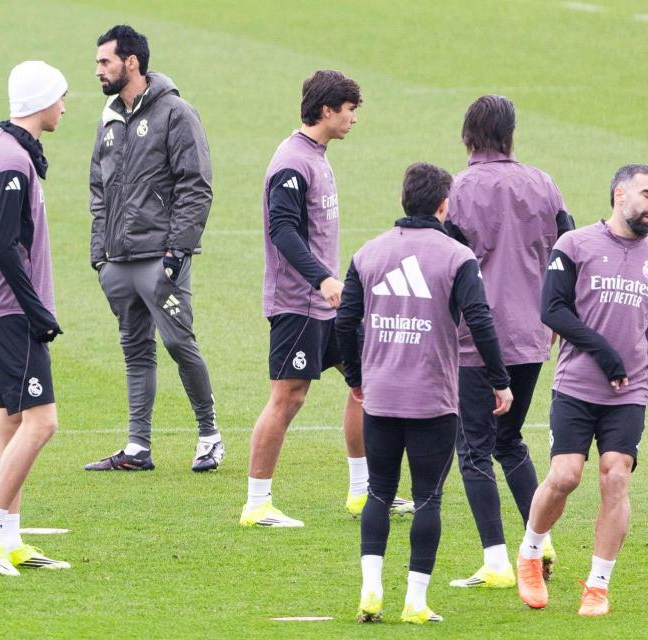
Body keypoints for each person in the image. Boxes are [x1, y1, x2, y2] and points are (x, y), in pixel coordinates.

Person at [337, 162, 513, 623]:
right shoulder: (457, 257)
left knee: (378, 492)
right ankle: (415, 601)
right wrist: (499, 379)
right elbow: (481, 320)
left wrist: (355, 377)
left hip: (381, 398)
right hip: (432, 400)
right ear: (442, 205)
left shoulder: (367, 254)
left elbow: (343, 322)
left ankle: (370, 591)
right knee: (428, 499)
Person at [239, 69, 408, 528]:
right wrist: (322, 280)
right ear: (328, 110)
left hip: (328, 305)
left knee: (365, 382)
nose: (354, 118)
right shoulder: (292, 162)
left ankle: (364, 492)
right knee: (288, 397)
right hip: (299, 302)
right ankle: (257, 505)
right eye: (350, 109)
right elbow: (283, 232)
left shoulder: (316, 154)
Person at [447, 95, 573, 588]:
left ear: (467, 135)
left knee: (474, 448)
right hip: (534, 335)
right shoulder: (544, 183)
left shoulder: (458, 190)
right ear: (511, 134)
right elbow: (569, 251)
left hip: (476, 340)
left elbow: (446, 267)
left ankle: (497, 561)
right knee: (509, 438)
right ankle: (539, 543)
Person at [86, 25, 223, 472]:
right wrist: (99, 256)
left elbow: (196, 186)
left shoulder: (176, 113)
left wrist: (176, 251)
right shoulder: (109, 119)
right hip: (118, 263)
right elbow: (97, 189)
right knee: (135, 351)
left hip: (160, 260)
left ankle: (209, 436)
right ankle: (137, 447)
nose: (98, 70)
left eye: (104, 61)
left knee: (180, 344)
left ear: (132, 62)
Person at [517, 164, 648, 617]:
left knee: (616, 475)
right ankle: (531, 551)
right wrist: (607, 354)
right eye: (646, 195)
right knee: (567, 476)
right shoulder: (574, 244)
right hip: (576, 386)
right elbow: (551, 310)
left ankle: (597, 584)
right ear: (620, 195)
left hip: (631, 391)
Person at [0, 61, 70, 576]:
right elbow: (5, 246)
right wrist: (38, 310)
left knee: (8, 419)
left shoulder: (1, 145)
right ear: (40, 102)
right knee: (42, 421)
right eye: (60, 97)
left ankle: (8, 536)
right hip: (9, 309)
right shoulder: (11, 160)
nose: (64, 107)